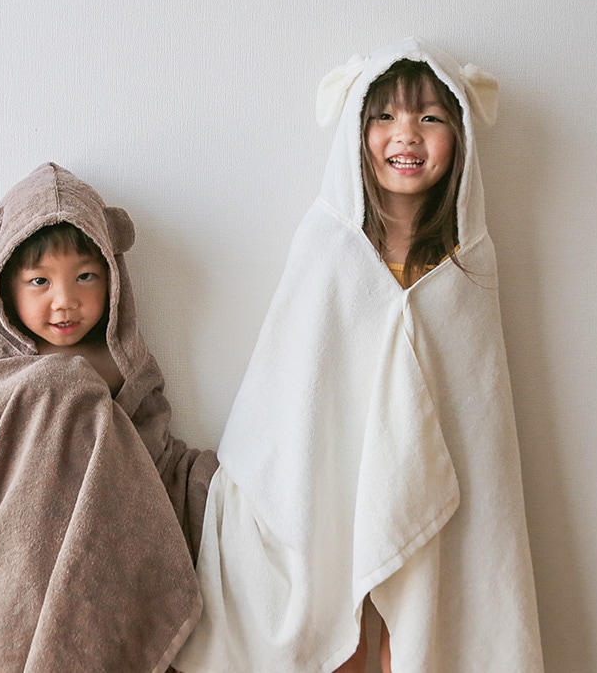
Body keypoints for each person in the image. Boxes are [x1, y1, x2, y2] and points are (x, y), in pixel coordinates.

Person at [173, 38, 543, 672]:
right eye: (385, 116)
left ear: (459, 133)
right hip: (331, 492)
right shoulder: (329, 247)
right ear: (356, 128)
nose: (407, 135)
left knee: (420, 632)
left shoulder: (468, 265)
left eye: (431, 117)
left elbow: (477, 418)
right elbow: (294, 381)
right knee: (337, 635)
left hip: (436, 508)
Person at [0, 162, 217, 672]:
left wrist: (206, 482)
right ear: (3, 286)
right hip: (28, 558)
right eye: (39, 281)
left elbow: (152, 462)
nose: (65, 301)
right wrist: (63, 387)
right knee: (63, 381)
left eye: (85, 277)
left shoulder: (127, 364)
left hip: (104, 555)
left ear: (113, 276)